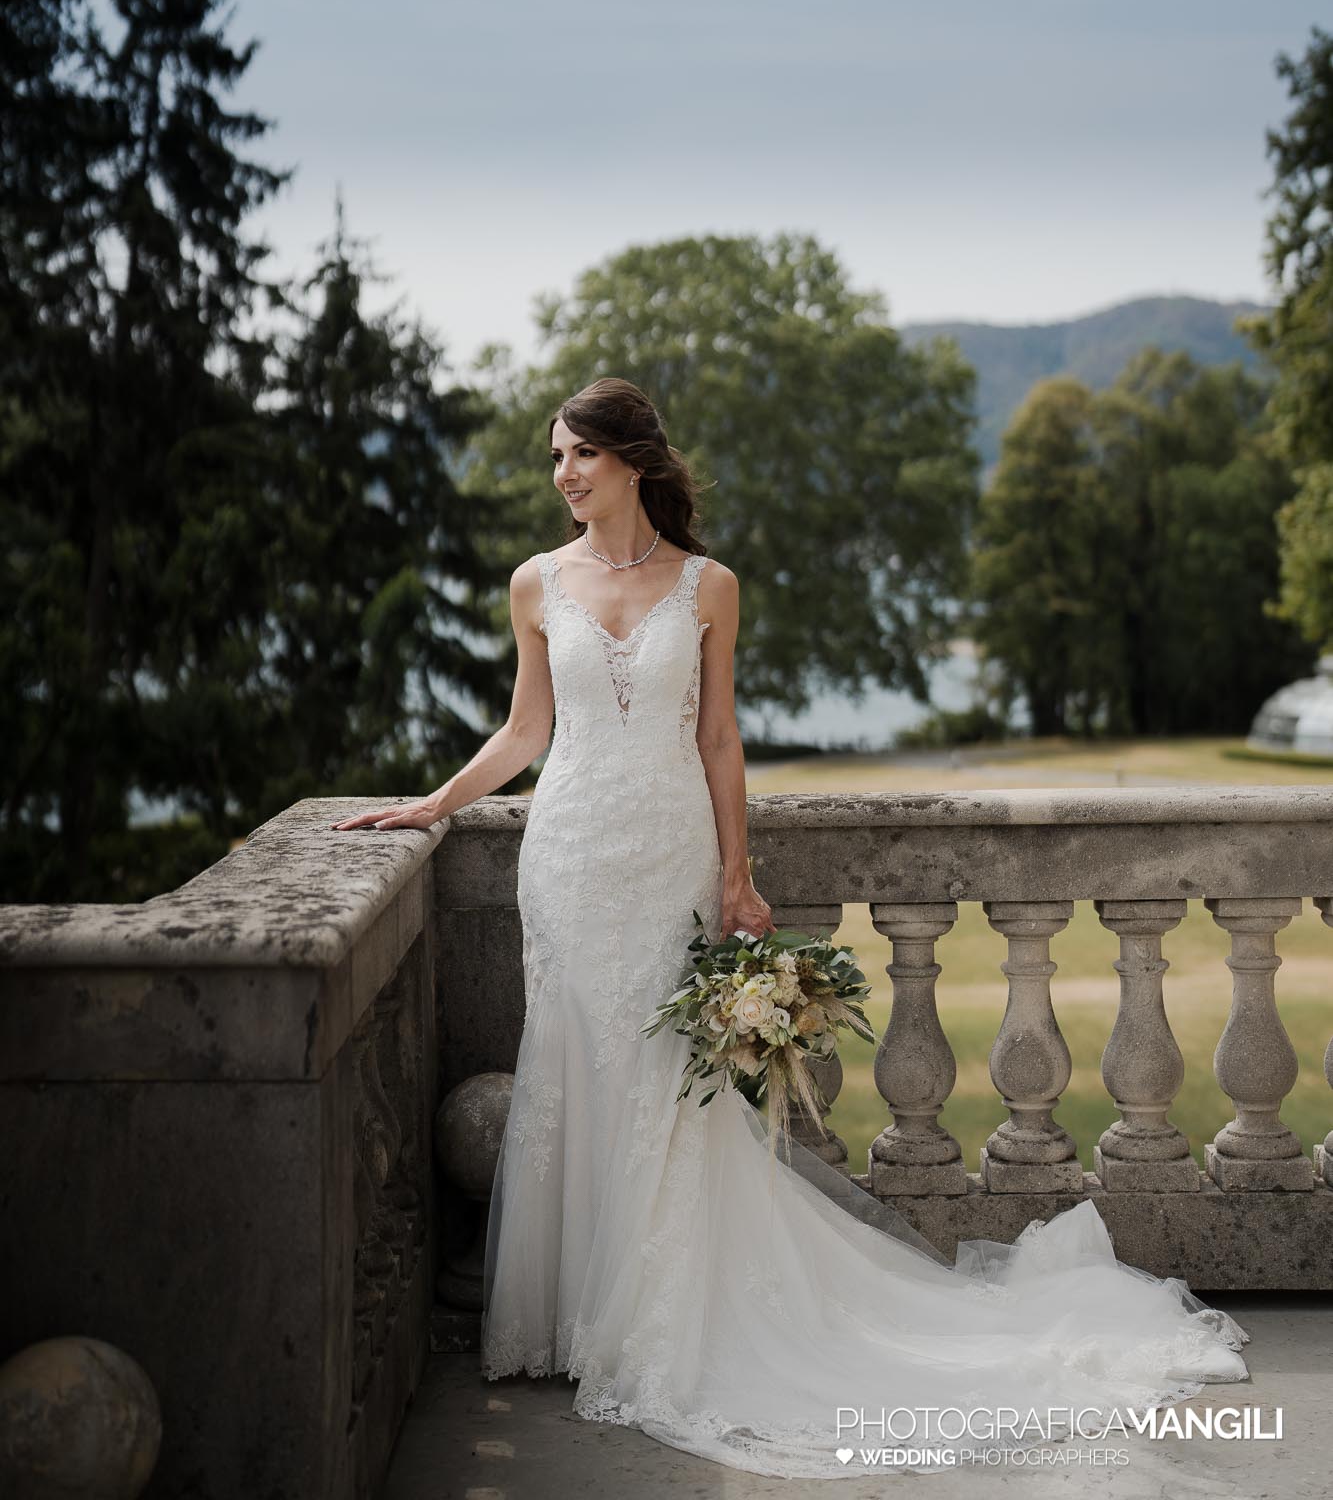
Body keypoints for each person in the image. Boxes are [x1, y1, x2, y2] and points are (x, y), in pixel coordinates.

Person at [333, 376, 1249, 1480]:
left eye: (579, 453)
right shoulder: (535, 581)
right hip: (567, 856)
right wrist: (435, 803)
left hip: (667, 853)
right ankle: (574, 1319)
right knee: (572, 1067)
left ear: (631, 457)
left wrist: (737, 872)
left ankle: (657, 1321)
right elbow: (528, 725)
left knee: (663, 1080)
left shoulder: (710, 586)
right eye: (554, 457)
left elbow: (719, 738)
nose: (562, 474)